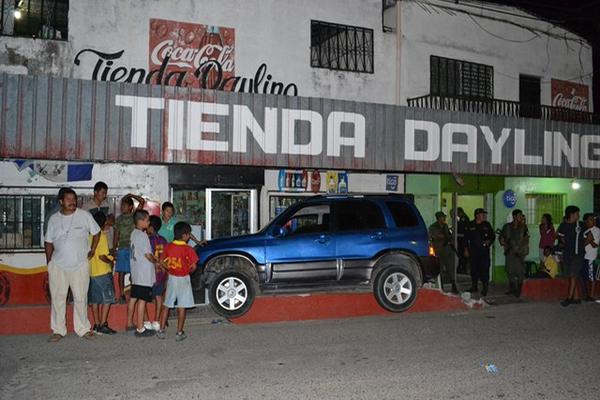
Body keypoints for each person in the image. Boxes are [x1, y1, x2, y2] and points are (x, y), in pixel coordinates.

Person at [44, 188, 100, 342]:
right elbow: (48, 242)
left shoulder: (84, 215)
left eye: (74, 199)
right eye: (68, 199)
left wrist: (93, 249)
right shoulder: (53, 219)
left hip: (79, 264)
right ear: (61, 201)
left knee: (81, 298)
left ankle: (83, 329)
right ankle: (58, 330)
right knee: (58, 298)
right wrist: (49, 263)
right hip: (58, 266)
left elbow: (96, 232)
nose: (72, 201)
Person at [157, 222, 199, 341]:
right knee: (182, 306)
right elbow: (194, 266)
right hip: (184, 279)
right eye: (189, 234)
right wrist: (188, 271)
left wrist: (169, 268)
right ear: (185, 235)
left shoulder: (168, 246)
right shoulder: (188, 249)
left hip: (172, 278)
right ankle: (179, 332)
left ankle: (161, 330)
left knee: (167, 304)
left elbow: (161, 261)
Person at [126, 210, 158, 337]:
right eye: (147, 220)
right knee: (142, 300)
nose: (149, 222)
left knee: (134, 298)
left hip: (136, 272)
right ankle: (140, 328)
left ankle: (129, 323)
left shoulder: (134, 233)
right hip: (143, 273)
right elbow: (148, 255)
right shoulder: (143, 236)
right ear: (141, 221)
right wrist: (157, 262)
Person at [87, 211, 117, 335]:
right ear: (104, 222)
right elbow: (102, 256)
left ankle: (96, 324)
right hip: (103, 271)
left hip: (92, 272)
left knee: (95, 300)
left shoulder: (88, 236)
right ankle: (103, 324)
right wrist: (111, 261)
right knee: (107, 299)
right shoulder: (101, 235)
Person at [114, 193, 146, 303]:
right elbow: (116, 234)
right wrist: (114, 249)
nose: (122, 207)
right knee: (121, 272)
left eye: (125, 205)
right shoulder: (118, 219)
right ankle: (122, 294)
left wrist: (131, 195)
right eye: (122, 205)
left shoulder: (135, 216)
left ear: (131, 207)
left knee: (134, 271)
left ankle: (134, 292)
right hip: (122, 247)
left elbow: (142, 201)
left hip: (133, 248)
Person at [557, 205, 585, 307]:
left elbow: (589, 236)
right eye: (577, 213)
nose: (579, 215)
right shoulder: (563, 225)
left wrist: (581, 245)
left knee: (573, 275)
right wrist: (566, 244)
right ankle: (576, 298)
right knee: (572, 276)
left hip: (578, 255)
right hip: (568, 254)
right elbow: (560, 236)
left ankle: (569, 298)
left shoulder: (581, 225)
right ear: (572, 214)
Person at [465, 208, 495, 297]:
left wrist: (489, 241)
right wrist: (466, 250)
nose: (484, 216)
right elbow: (466, 239)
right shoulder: (470, 225)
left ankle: (485, 288)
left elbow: (492, 236)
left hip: (484, 251)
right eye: (482, 214)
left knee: (484, 269)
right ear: (477, 215)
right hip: (474, 251)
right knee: (474, 269)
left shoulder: (487, 224)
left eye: (484, 214)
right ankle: (474, 286)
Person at [499, 209, 529, 298]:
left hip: (519, 253)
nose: (521, 217)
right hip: (509, 252)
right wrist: (503, 241)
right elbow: (501, 237)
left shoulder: (524, 227)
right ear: (514, 216)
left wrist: (519, 248)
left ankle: (519, 290)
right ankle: (512, 289)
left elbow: (526, 239)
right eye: (519, 215)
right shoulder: (507, 226)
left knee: (520, 272)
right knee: (510, 271)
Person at [147, 215, 168, 331]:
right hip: (161, 272)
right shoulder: (163, 240)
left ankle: (146, 321)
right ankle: (156, 320)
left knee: (145, 297)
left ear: (150, 227)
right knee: (159, 296)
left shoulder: (147, 239)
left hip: (150, 272)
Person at [429, 211, 458, 294]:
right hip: (438, 250)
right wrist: (445, 237)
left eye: (444, 217)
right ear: (438, 218)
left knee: (450, 267)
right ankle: (441, 287)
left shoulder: (445, 226)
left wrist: (448, 237)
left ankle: (453, 285)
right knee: (440, 269)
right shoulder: (433, 227)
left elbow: (449, 236)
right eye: (442, 217)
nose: (444, 218)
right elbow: (435, 236)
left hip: (447, 249)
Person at [581, 213, 600, 301]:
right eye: (591, 219)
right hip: (585, 257)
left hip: (591, 257)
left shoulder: (596, 230)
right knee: (586, 276)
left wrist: (590, 239)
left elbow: (595, 245)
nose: (593, 221)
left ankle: (591, 295)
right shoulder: (585, 231)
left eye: (593, 219)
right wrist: (588, 239)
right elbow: (583, 244)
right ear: (586, 221)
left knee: (591, 277)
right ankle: (588, 295)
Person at [455, 207, 470, 275]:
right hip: (461, 239)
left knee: (462, 255)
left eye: (458, 213)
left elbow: (463, 230)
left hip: (463, 240)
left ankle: (463, 268)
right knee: (461, 255)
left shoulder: (464, 219)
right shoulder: (462, 218)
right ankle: (461, 268)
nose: (457, 214)